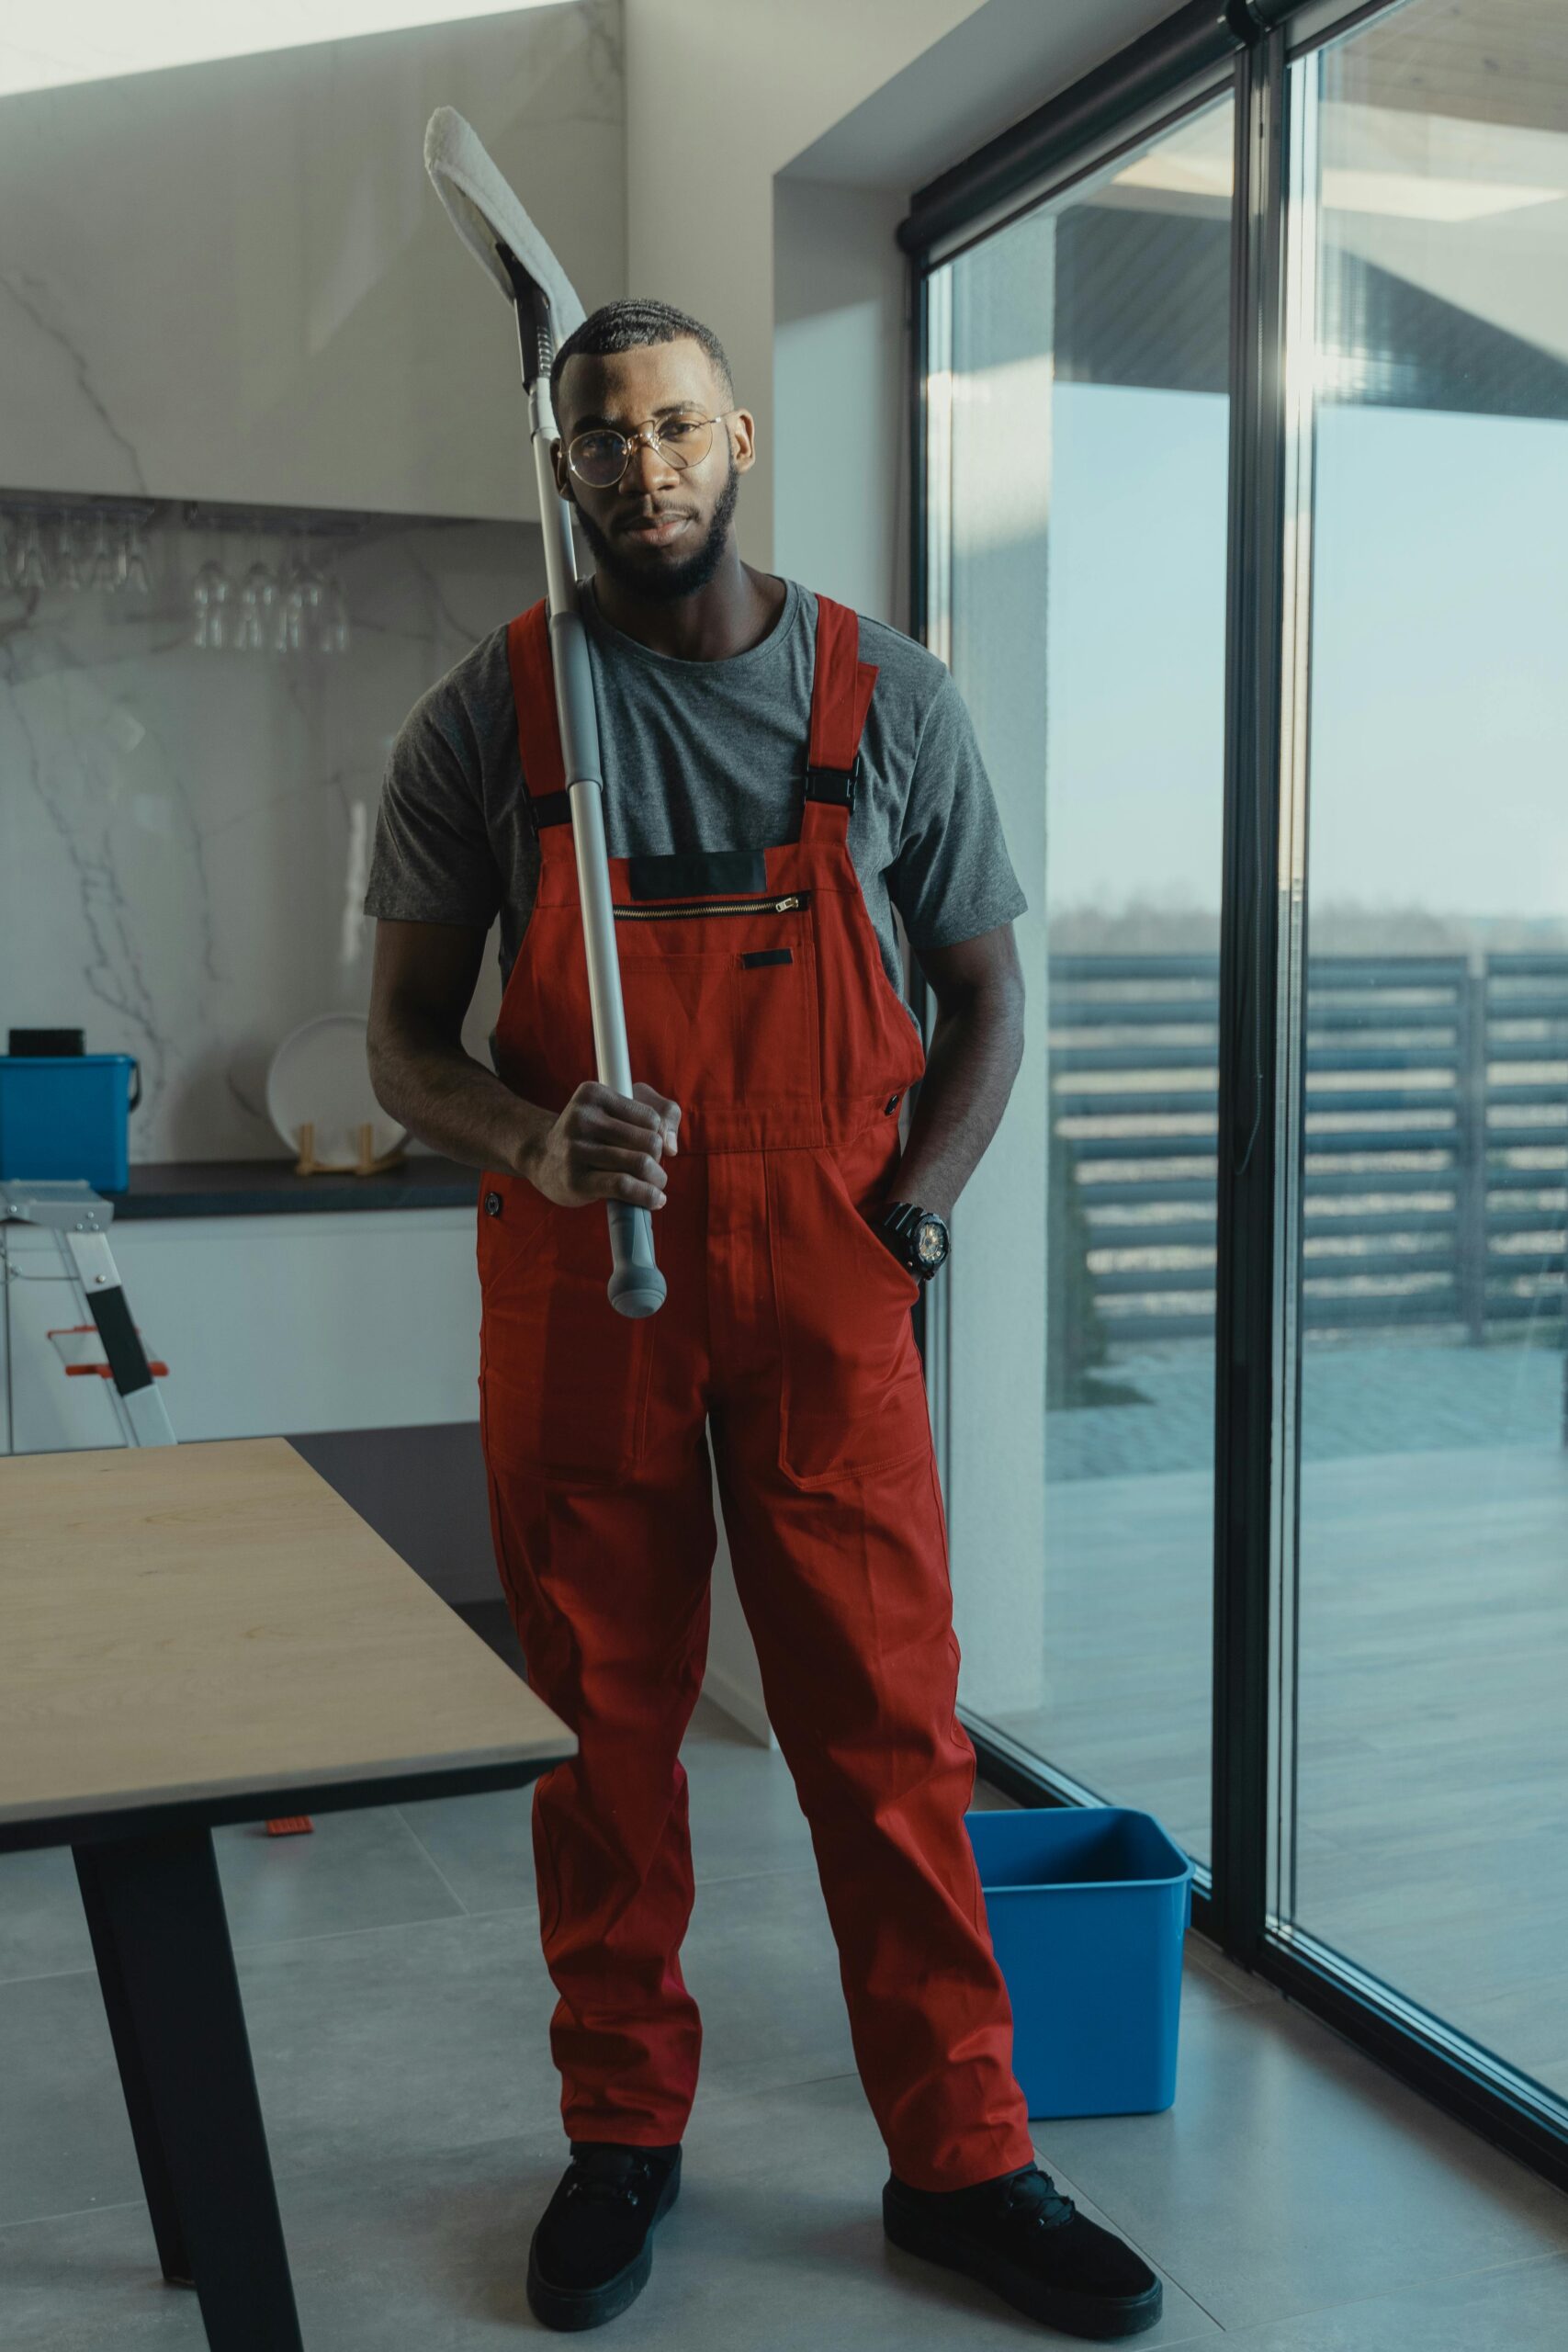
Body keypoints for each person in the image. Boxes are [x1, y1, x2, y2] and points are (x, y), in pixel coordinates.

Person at [364, 296, 1162, 2341]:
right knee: (599, 1739)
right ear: (561, 474)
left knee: (884, 1736)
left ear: (734, 441)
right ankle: (621, 2133)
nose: (637, 467)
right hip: (585, 1267)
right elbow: (397, 1042)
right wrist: (537, 1143)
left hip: (828, 1270)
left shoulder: (885, 697)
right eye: (597, 441)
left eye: (668, 429)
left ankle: (963, 2158)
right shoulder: (492, 716)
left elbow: (988, 1000)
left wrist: (906, 1220)